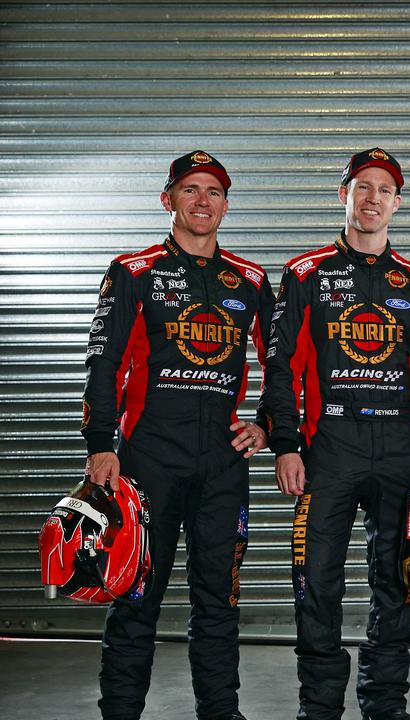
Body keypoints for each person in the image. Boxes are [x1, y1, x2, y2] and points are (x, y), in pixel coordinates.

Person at [261, 148, 410, 720]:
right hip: (330, 448)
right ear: (342, 194)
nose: (372, 198)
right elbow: (282, 368)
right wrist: (287, 444)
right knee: (315, 581)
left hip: (400, 449)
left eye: (384, 190)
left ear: (398, 203)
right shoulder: (305, 274)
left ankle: (384, 704)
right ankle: (319, 707)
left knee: (396, 581)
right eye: (362, 186)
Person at [83, 150, 273, 720]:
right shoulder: (132, 272)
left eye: (212, 192)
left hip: (222, 463)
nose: (201, 201)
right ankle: (120, 713)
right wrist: (100, 445)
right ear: (168, 199)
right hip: (147, 463)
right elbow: (103, 361)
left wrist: (266, 423)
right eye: (189, 190)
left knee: (219, 602)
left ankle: (221, 711)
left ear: (225, 206)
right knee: (135, 597)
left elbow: (286, 364)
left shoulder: (252, 280)